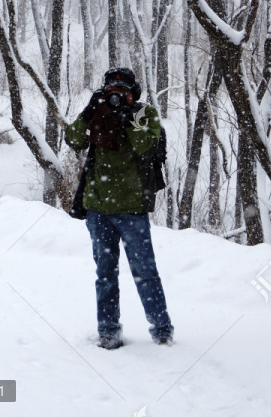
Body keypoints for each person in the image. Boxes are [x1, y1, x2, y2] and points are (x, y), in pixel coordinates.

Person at [65, 67, 174, 349]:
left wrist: (129, 120)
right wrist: (90, 111)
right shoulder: (98, 111)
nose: (116, 97)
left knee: (145, 272)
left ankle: (162, 330)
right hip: (98, 209)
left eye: (121, 91)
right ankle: (108, 331)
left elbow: (146, 148)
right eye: (111, 91)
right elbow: (74, 140)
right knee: (105, 274)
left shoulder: (143, 114)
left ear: (131, 93)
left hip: (132, 208)